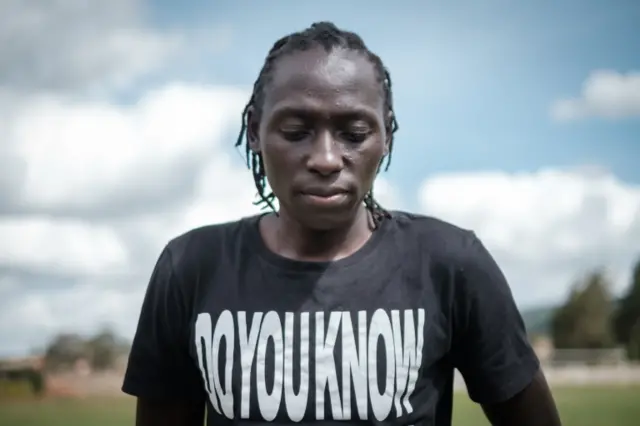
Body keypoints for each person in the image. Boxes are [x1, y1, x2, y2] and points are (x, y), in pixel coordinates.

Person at [122, 22, 561, 426]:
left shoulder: (450, 263)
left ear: (386, 134)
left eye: (354, 133)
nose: (327, 159)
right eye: (296, 131)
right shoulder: (191, 267)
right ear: (254, 131)